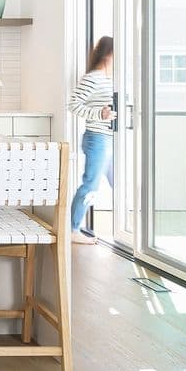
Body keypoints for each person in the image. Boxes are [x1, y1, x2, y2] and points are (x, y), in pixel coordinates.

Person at [69, 36, 114, 245]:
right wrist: (99, 114)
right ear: (108, 55)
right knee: (90, 186)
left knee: (118, 182)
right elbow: (73, 104)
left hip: (110, 139)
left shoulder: (109, 78)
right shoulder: (93, 78)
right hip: (97, 139)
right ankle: (73, 230)